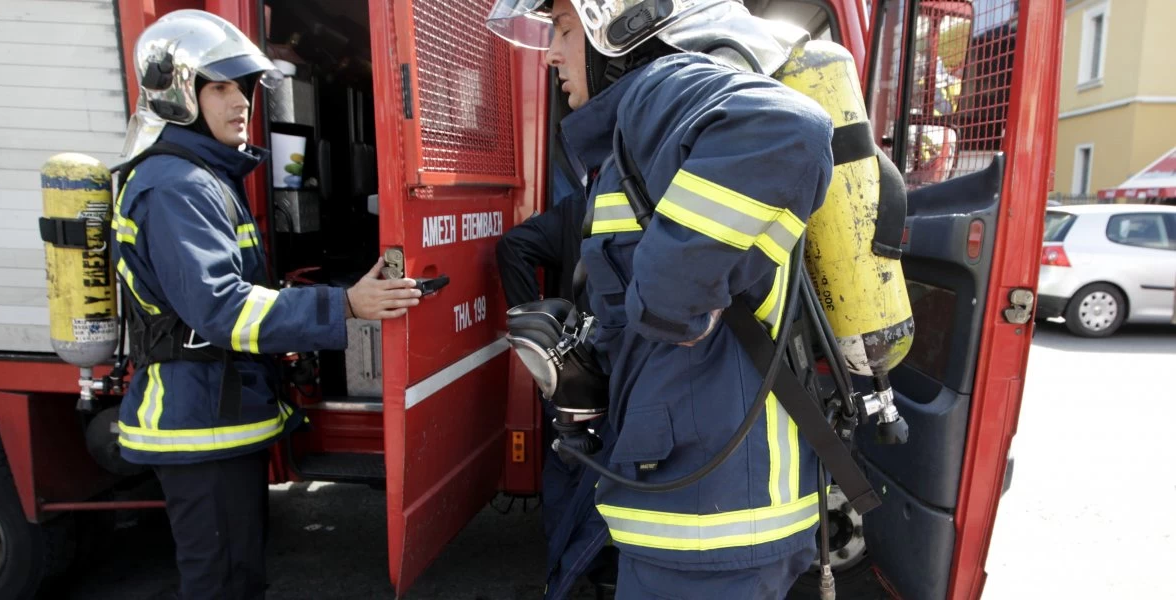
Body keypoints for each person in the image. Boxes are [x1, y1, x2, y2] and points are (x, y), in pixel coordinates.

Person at [487, 0, 832, 597]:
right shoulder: (641, 132)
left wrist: (669, 303)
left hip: (711, 526)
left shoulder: (659, 88)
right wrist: (595, 356)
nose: (551, 54)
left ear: (624, 25)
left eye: (564, 30)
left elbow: (787, 130)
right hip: (709, 511)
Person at [111, 10, 422, 599]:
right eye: (221, 88)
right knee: (224, 583)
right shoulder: (178, 184)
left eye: (244, 88)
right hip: (199, 424)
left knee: (235, 575)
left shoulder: (198, 175)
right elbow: (222, 310)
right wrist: (345, 307)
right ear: (180, 95)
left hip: (213, 415)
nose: (241, 103)